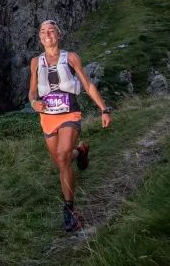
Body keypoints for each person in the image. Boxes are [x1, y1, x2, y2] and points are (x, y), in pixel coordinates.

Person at [28, 20, 112, 232]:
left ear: (58, 34)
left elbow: (87, 84)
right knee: (60, 161)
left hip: (69, 113)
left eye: (51, 31)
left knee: (63, 158)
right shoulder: (35, 62)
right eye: (43, 31)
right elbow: (31, 91)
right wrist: (32, 102)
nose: (47, 34)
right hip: (47, 116)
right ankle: (81, 151)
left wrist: (104, 109)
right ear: (40, 37)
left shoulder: (71, 57)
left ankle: (69, 210)